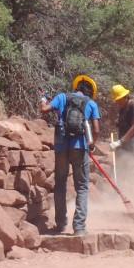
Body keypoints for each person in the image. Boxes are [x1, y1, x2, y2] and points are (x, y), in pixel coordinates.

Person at [40, 75, 101, 236]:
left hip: (61, 147)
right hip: (80, 148)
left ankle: (60, 225)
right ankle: (79, 227)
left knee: (60, 184)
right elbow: (96, 130)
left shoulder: (62, 97)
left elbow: (44, 109)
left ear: (76, 87)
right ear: (90, 91)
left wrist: (43, 98)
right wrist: (91, 144)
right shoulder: (91, 103)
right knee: (81, 186)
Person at [108, 84, 134, 185]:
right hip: (125, 149)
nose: (117, 102)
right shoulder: (122, 108)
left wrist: (120, 141)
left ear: (125, 97)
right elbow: (124, 124)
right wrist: (115, 124)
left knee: (133, 177)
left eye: (118, 99)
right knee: (122, 175)